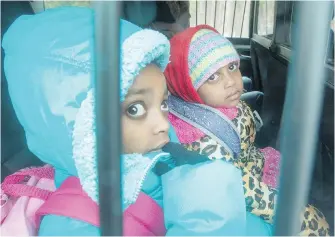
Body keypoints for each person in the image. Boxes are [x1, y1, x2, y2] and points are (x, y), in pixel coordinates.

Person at [2, 6, 275, 236]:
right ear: (75, 123)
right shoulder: (73, 224)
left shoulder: (158, 162)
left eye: (164, 103)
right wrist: (206, 218)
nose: (163, 124)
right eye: (134, 109)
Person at [165, 24, 330, 236]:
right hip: (243, 193)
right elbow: (246, 193)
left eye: (232, 67)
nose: (231, 82)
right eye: (213, 77)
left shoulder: (215, 107)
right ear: (189, 87)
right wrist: (301, 216)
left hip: (253, 166)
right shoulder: (202, 143)